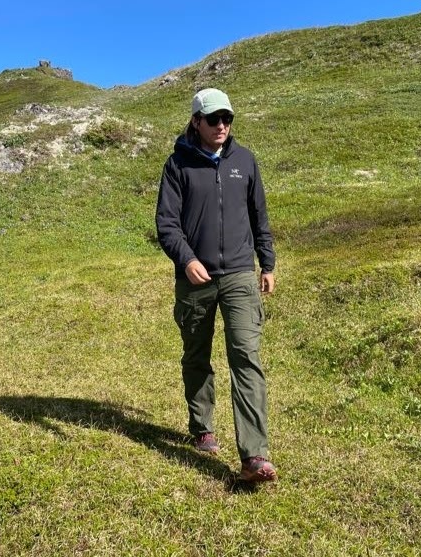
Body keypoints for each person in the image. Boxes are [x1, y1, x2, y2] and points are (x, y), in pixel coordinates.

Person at [156, 88, 277, 482]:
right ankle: (202, 425)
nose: (222, 125)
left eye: (227, 118)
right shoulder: (177, 165)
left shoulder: (245, 161)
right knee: (196, 355)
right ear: (196, 122)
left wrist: (267, 262)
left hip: (241, 273)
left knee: (246, 356)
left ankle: (254, 456)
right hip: (196, 278)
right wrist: (187, 259)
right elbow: (167, 224)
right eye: (213, 119)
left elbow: (259, 214)